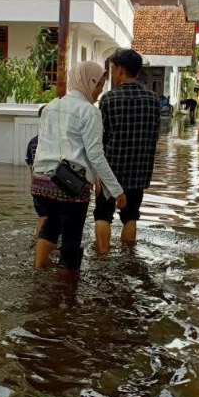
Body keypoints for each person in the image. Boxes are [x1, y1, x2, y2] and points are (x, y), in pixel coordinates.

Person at [32, 62, 126, 272]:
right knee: (72, 238)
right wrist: (117, 190)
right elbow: (95, 156)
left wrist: (36, 175)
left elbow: (42, 143)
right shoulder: (89, 112)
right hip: (69, 185)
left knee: (52, 224)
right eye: (99, 85)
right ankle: (67, 294)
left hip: (41, 182)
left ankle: (37, 269)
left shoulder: (51, 105)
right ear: (88, 82)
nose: (100, 90)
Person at [94, 48, 161, 254]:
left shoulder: (109, 99)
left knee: (103, 215)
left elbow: (100, 140)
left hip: (111, 171)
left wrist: (97, 174)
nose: (112, 73)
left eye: (113, 68)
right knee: (131, 216)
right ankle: (128, 259)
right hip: (139, 171)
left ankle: (102, 257)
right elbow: (154, 136)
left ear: (121, 69)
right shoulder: (153, 100)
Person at [25, 105, 47, 237]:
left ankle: (37, 244)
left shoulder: (32, 142)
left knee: (42, 216)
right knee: (49, 219)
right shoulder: (59, 141)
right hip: (53, 187)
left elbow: (31, 168)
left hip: (37, 185)